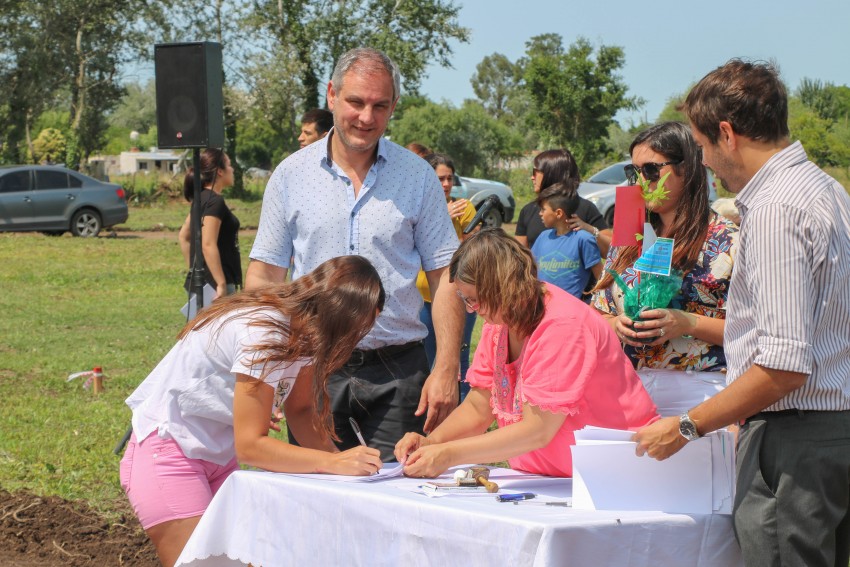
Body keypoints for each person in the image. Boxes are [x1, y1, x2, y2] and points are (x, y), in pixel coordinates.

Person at [633, 60, 850, 567]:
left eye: (702, 147)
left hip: (792, 440)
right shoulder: (826, 190)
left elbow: (783, 364)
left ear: (726, 134)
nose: (704, 162)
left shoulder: (777, 208)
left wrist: (686, 426)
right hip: (828, 431)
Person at [246, 47, 464, 462]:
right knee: (321, 503)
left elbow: (445, 275)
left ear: (394, 106)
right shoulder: (290, 175)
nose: (367, 117)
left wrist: (446, 367)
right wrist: (268, 370)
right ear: (332, 95)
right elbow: (264, 277)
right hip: (313, 370)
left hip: (399, 372)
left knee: (399, 503)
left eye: (380, 105)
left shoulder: (417, 176)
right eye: (356, 102)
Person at [120, 255, 385, 567]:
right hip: (169, 453)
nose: (356, 341)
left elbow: (300, 410)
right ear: (338, 316)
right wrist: (332, 462)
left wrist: (343, 473)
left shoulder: (305, 331)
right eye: (357, 330)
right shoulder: (265, 331)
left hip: (217, 457)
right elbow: (251, 446)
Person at [394, 228, 658, 478]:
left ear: (502, 288)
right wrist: (431, 442)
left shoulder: (562, 325)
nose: (472, 309)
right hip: (554, 481)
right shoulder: (499, 322)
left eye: (474, 299)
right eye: (466, 300)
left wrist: (448, 455)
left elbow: (538, 430)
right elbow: (479, 406)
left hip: (615, 477)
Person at [591, 122, 738, 417]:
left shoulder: (728, 239)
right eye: (633, 172)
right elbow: (598, 312)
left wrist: (685, 322)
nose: (640, 183)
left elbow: (755, 332)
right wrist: (616, 325)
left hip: (703, 393)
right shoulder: (629, 234)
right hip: (629, 389)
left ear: (686, 168)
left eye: (651, 170)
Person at [415, 153, 477, 400]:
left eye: (450, 178)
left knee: (457, 360)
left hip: (459, 297)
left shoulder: (465, 208)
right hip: (423, 299)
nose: (446, 184)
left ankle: (462, 417)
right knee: (429, 358)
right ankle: (431, 416)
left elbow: (473, 254)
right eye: (440, 178)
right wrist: (441, 215)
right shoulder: (417, 209)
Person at [515, 149, 611, 256]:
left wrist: (590, 230)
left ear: (552, 173)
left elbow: (611, 252)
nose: (532, 177)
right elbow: (519, 256)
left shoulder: (585, 208)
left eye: (535, 172)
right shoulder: (528, 211)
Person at [178, 149, 241, 299]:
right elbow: (207, 243)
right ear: (220, 171)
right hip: (215, 288)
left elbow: (184, 236)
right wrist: (221, 283)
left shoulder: (201, 198)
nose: (232, 169)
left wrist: (194, 272)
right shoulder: (215, 201)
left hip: (203, 284)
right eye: (229, 165)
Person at [531, 183, 602, 301]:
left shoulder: (583, 239)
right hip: (542, 309)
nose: (540, 213)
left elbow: (602, 278)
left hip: (572, 312)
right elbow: (530, 270)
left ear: (558, 213)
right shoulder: (543, 237)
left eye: (543, 209)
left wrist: (593, 305)